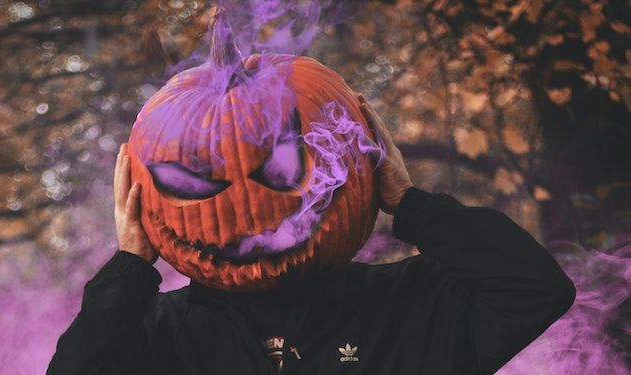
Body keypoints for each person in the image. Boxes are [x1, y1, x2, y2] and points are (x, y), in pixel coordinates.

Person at [47, 96, 575, 375]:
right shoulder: (158, 336)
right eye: (193, 183)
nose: (249, 210)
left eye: (282, 171)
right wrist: (131, 267)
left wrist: (411, 204)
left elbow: (535, 288)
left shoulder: (412, 307)